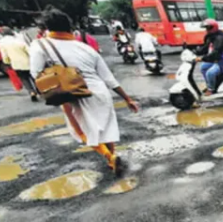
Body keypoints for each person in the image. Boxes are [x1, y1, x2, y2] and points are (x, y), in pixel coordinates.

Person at [29, 7, 140, 176]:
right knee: (106, 128)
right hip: (100, 91)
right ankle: (113, 157)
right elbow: (108, 77)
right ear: (69, 26)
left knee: (83, 130)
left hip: (73, 94)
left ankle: (110, 157)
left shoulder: (40, 46)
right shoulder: (85, 47)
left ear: (47, 27)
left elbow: (35, 73)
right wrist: (127, 99)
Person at [195, 19, 223, 96]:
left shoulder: (219, 39)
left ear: (213, 28)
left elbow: (215, 53)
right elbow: (205, 48)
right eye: (206, 28)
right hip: (216, 60)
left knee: (210, 73)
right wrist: (194, 52)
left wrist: (202, 58)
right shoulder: (212, 37)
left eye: (208, 28)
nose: (206, 30)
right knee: (203, 67)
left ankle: (211, 89)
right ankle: (210, 85)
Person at [0, 27, 39, 101]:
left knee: (24, 78)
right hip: (28, 62)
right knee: (33, 77)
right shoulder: (18, 40)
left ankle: (31, 91)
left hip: (16, 64)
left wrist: (7, 62)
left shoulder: (1, 42)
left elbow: (4, 55)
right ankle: (39, 90)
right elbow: (29, 51)